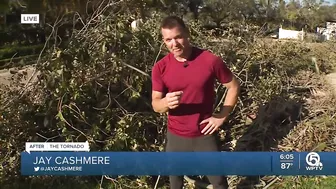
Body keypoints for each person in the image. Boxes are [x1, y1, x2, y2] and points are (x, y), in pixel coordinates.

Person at [151, 15, 240, 189]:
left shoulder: (210, 60)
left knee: (219, 183)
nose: (174, 44)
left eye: (178, 37)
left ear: (187, 34)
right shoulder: (160, 67)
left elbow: (234, 86)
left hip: (204, 134)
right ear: (164, 41)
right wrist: (165, 103)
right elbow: (155, 104)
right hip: (176, 136)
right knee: (175, 183)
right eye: (168, 40)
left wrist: (221, 116)